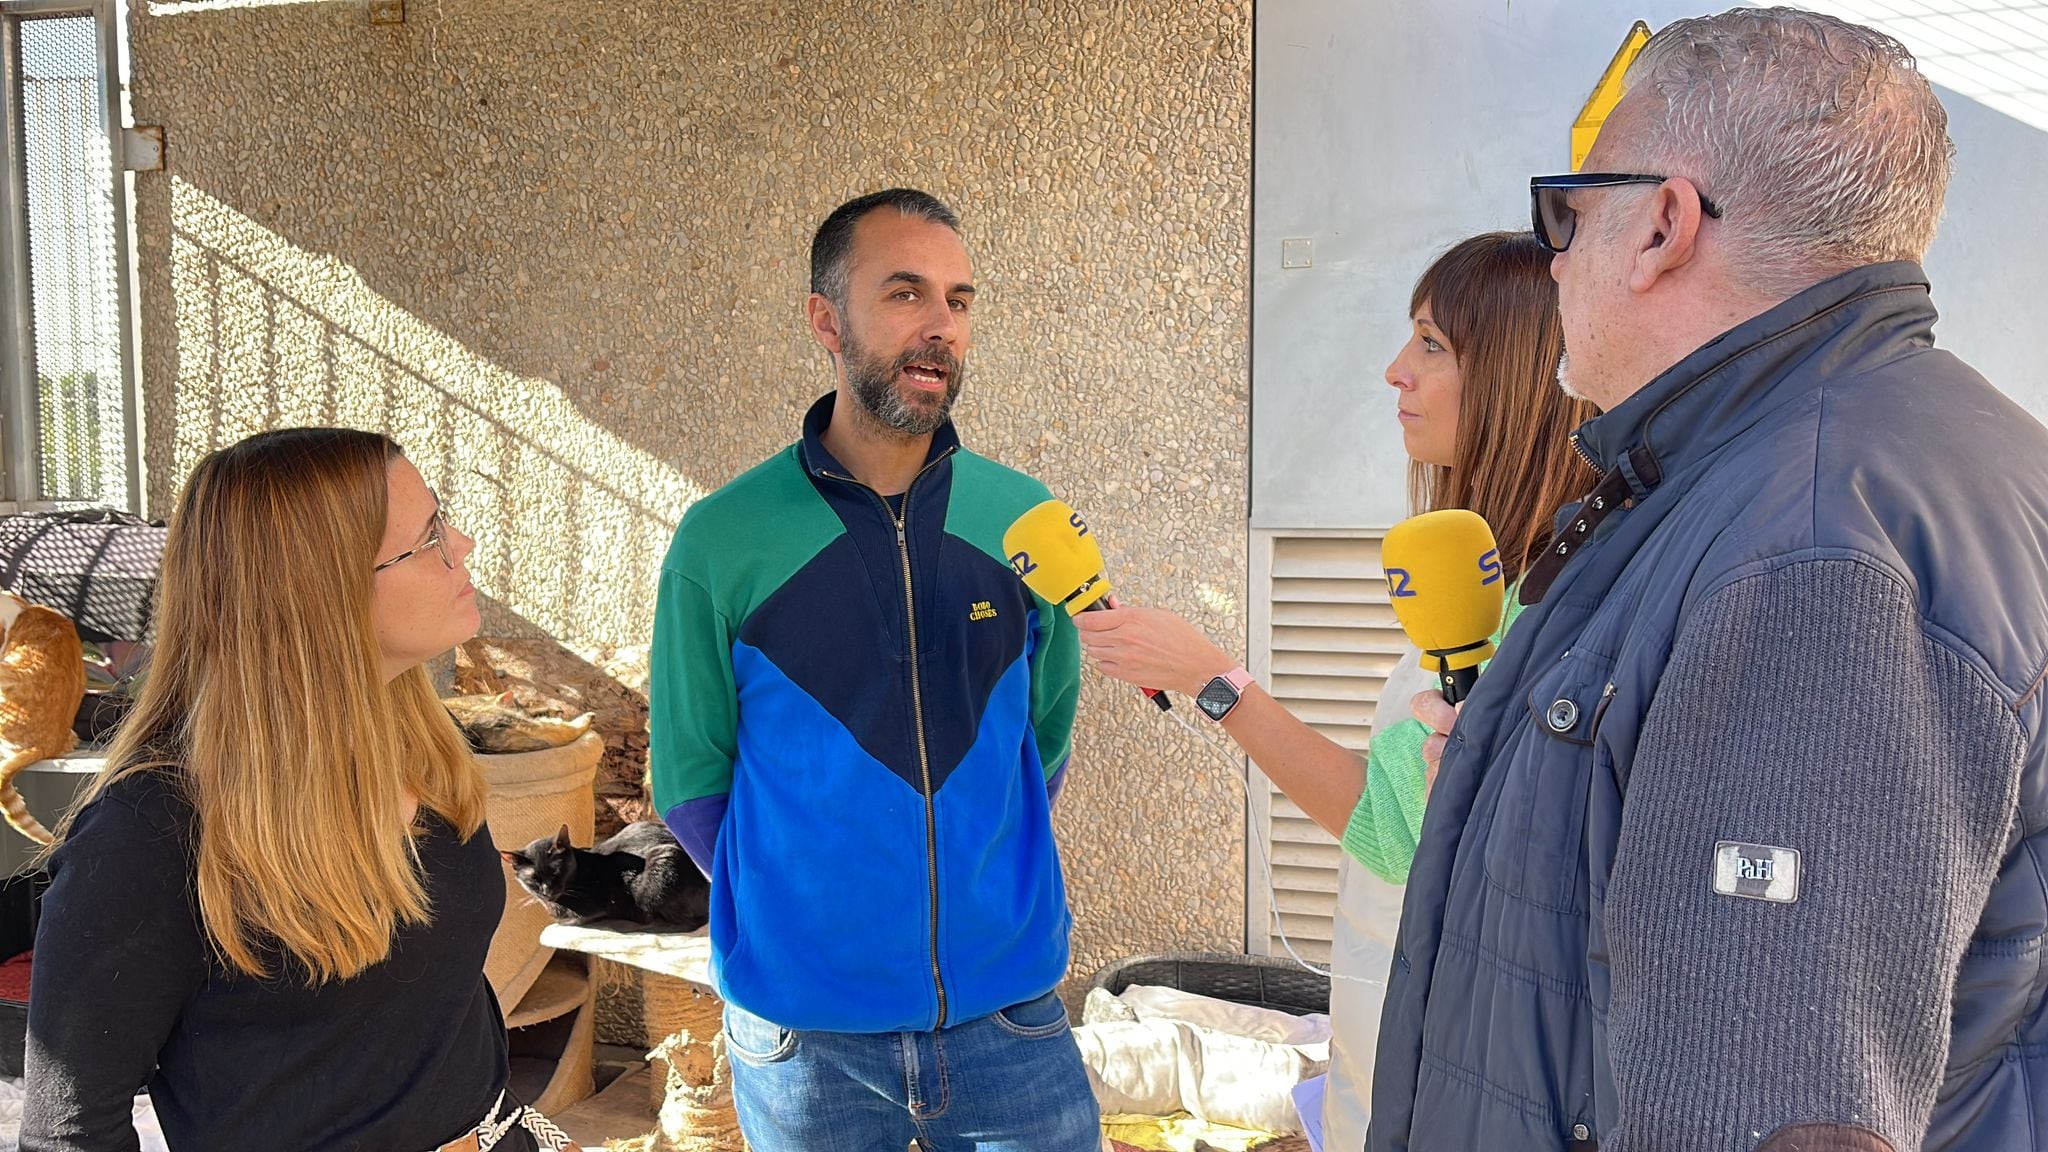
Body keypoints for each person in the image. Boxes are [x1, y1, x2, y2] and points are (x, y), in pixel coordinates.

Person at [1374, 9, 2048, 1151]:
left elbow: (1761, 1105)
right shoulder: (1822, 464)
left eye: (1567, 217)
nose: (1555, 261)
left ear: (1661, 226)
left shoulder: (1816, 549)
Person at [1076, 231, 1590, 1149]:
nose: (1397, 371)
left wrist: (1213, 680)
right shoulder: (1496, 580)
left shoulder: (1537, 615)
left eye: (1432, 344)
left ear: (1514, 373)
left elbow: (1386, 829)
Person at [647, 188, 1097, 1151]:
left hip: (1008, 1020)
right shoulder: (722, 539)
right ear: (825, 320)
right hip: (804, 1045)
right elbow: (690, 778)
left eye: (960, 299)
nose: (941, 325)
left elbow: (1043, 738)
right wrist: (808, 916)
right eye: (905, 293)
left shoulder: (1026, 521)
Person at [22, 428, 578, 1152]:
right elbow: (70, 1131)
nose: (463, 545)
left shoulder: (419, 745)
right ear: (324, 593)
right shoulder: (152, 829)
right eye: (429, 536)